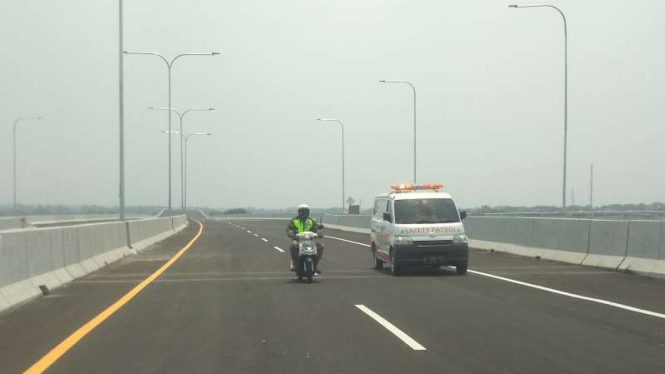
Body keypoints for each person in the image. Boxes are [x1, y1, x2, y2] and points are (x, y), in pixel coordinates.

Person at [287, 203, 325, 274]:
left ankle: (315, 265)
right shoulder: (294, 221)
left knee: (321, 246)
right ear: (299, 212)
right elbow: (289, 229)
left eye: (305, 211)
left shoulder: (311, 221)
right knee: (293, 246)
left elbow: (316, 228)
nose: (304, 213)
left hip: (309, 240)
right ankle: (295, 264)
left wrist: (319, 233)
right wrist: (291, 234)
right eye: (302, 211)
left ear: (308, 212)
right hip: (298, 240)